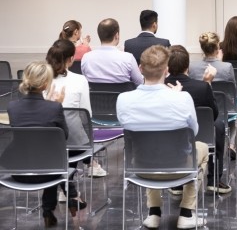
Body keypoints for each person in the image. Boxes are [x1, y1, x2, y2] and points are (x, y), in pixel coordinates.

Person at [116, 45, 209, 229]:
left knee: (150, 148)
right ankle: (187, 212)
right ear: (166, 71)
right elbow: (194, 132)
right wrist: (176, 98)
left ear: (140, 69)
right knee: (203, 148)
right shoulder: (183, 99)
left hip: (141, 168)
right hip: (179, 167)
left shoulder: (124, 99)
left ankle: (154, 212)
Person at [8, 61, 86, 227]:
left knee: (46, 158)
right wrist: (56, 106)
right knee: (53, 160)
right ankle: (69, 197)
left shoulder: (12, 107)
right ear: (45, 84)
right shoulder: (54, 108)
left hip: (18, 173)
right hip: (49, 173)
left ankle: (51, 209)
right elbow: (63, 136)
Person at [166, 45, 231, 194]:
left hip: (167, 136)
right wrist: (207, 83)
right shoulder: (201, 87)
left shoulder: (161, 86)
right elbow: (212, 115)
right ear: (187, 65)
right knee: (219, 125)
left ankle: (177, 183)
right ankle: (214, 180)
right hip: (199, 134)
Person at [46, 39, 107, 178]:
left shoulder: (42, 79)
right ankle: (77, 175)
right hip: (74, 146)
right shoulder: (80, 80)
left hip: (45, 145)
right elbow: (86, 115)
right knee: (77, 131)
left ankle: (66, 182)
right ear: (71, 58)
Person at [187, 32, 237, 159]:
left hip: (199, 109)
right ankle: (231, 145)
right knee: (232, 116)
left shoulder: (192, 66)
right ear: (217, 48)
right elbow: (232, 88)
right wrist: (220, 62)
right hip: (222, 108)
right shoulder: (227, 67)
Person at [81, 18, 143, 86]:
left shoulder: (86, 58)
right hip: (121, 96)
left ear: (99, 35)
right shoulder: (128, 58)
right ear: (116, 35)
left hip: (93, 97)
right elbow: (140, 83)